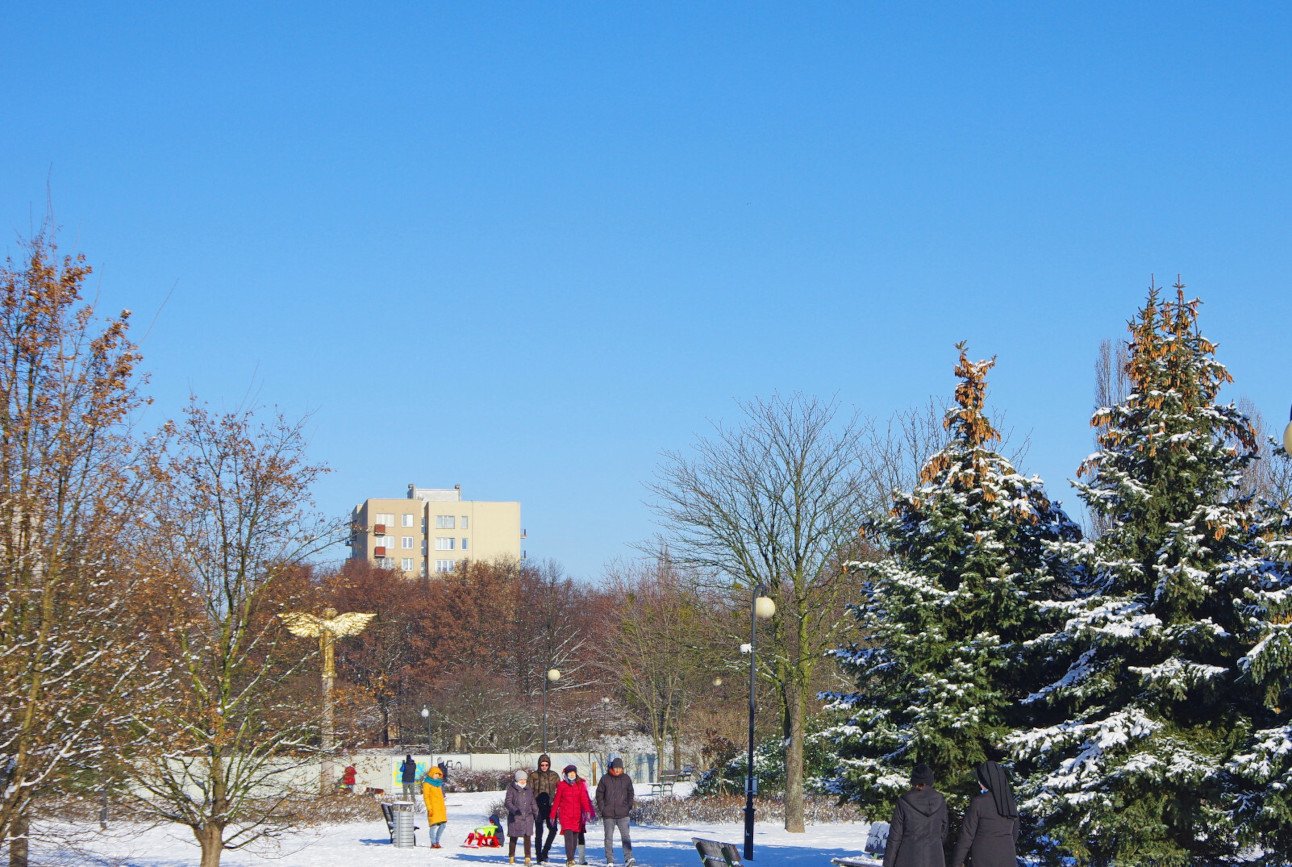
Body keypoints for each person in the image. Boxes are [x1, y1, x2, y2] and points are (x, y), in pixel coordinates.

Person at [951, 761, 1020, 867]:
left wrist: (956, 862)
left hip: (983, 857)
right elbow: (1015, 832)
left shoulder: (979, 802)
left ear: (987, 781)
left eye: (981, 780)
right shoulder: (1009, 802)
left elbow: (967, 835)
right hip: (1007, 857)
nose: (979, 783)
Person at [881, 763, 947, 867]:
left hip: (908, 857)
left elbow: (895, 837)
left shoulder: (904, 801)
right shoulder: (940, 801)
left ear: (913, 781)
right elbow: (943, 831)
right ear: (930, 780)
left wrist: (888, 864)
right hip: (934, 858)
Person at [550, 763, 595, 866]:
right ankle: (569, 859)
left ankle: (572, 857)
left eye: (573, 773)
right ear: (566, 774)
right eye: (569, 773)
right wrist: (552, 814)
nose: (571, 775)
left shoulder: (579, 785)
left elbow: (584, 799)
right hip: (565, 816)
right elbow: (556, 801)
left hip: (577, 816)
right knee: (568, 838)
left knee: (575, 839)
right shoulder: (562, 785)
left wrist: (587, 811)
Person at [594, 757, 635, 866]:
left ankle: (628, 858)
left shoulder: (626, 779)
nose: (617, 770)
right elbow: (599, 795)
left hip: (623, 814)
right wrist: (603, 808)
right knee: (608, 838)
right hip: (608, 815)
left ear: (622, 768)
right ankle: (610, 860)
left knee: (626, 837)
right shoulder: (605, 779)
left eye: (619, 768)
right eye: (615, 767)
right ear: (612, 767)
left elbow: (631, 793)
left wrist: (628, 807)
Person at [505, 770, 541, 865]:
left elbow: (533, 802)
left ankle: (527, 858)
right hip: (515, 818)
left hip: (528, 818)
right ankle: (511, 856)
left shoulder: (528, 789)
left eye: (524, 779)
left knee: (527, 838)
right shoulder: (512, 789)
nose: (523, 781)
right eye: (521, 779)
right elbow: (507, 802)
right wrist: (514, 810)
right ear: (517, 779)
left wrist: (537, 813)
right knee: (513, 838)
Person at [531, 754, 560, 863]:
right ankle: (539, 855)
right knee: (539, 832)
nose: (544, 766)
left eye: (546, 764)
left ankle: (545, 851)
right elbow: (529, 791)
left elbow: (560, 791)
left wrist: (557, 802)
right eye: (542, 764)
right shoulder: (533, 776)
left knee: (553, 829)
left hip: (550, 806)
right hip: (537, 806)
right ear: (539, 765)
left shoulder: (554, 775)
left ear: (549, 765)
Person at [422, 764, 448, 848]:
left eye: (438, 774)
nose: (437, 776)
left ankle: (437, 841)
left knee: (443, 825)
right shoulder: (426, 784)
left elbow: (441, 797)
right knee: (433, 826)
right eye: (435, 774)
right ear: (431, 774)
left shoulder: (438, 784)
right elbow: (426, 797)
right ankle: (433, 843)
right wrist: (429, 808)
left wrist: (444, 807)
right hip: (433, 808)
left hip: (440, 808)